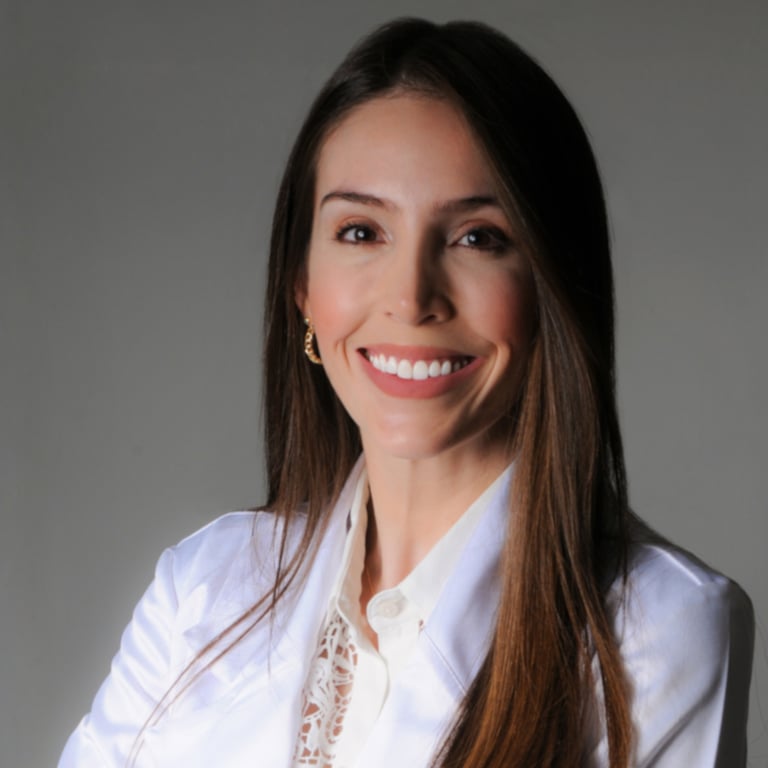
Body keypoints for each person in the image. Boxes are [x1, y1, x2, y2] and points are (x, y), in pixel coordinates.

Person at [58, 18, 754, 768]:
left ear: (553, 286)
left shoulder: (658, 631)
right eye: (362, 232)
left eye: (477, 237)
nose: (411, 298)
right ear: (301, 285)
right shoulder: (200, 586)